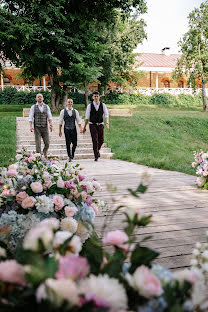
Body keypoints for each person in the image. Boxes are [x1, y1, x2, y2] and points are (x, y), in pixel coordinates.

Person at [83, 91, 109, 161]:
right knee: (95, 140)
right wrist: (84, 127)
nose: (96, 97)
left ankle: (97, 151)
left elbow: (106, 115)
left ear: (99, 97)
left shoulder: (103, 105)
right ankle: (96, 156)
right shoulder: (89, 106)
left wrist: (107, 123)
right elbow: (87, 117)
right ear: (93, 97)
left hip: (100, 124)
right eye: (95, 96)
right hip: (92, 124)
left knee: (101, 140)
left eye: (97, 96)